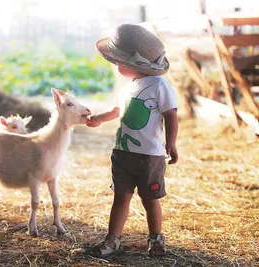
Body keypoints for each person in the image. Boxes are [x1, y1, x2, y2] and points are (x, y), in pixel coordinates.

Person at [86, 24, 179, 257]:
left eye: (118, 61)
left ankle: (156, 238)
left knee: (150, 200)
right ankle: (113, 240)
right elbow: (116, 111)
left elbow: (171, 114)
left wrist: (171, 142)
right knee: (120, 198)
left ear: (131, 65)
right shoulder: (128, 88)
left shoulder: (159, 85)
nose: (116, 64)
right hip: (122, 154)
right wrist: (98, 118)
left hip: (149, 156)